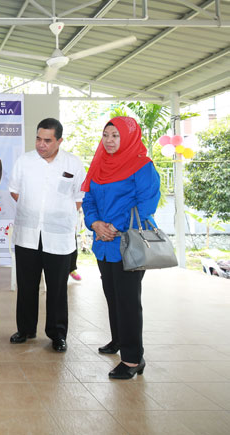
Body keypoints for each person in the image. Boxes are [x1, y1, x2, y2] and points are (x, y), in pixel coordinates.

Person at [82, 116, 160, 379]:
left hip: (128, 242)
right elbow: (89, 199)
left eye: (115, 135)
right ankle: (118, 339)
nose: (109, 141)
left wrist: (114, 226)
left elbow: (146, 204)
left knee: (127, 301)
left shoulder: (142, 166)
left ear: (128, 137)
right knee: (112, 296)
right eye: (106, 135)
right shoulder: (100, 163)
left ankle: (132, 359)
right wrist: (95, 223)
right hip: (103, 244)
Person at [8, 118, 86, 352]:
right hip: (27, 234)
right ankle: (25, 329)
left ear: (59, 141)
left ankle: (57, 334)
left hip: (59, 236)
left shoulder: (73, 163)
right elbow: (14, 191)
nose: (41, 144)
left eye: (47, 140)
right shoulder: (24, 161)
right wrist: (33, 210)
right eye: (38, 139)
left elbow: (79, 197)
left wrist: (58, 213)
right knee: (26, 286)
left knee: (57, 288)